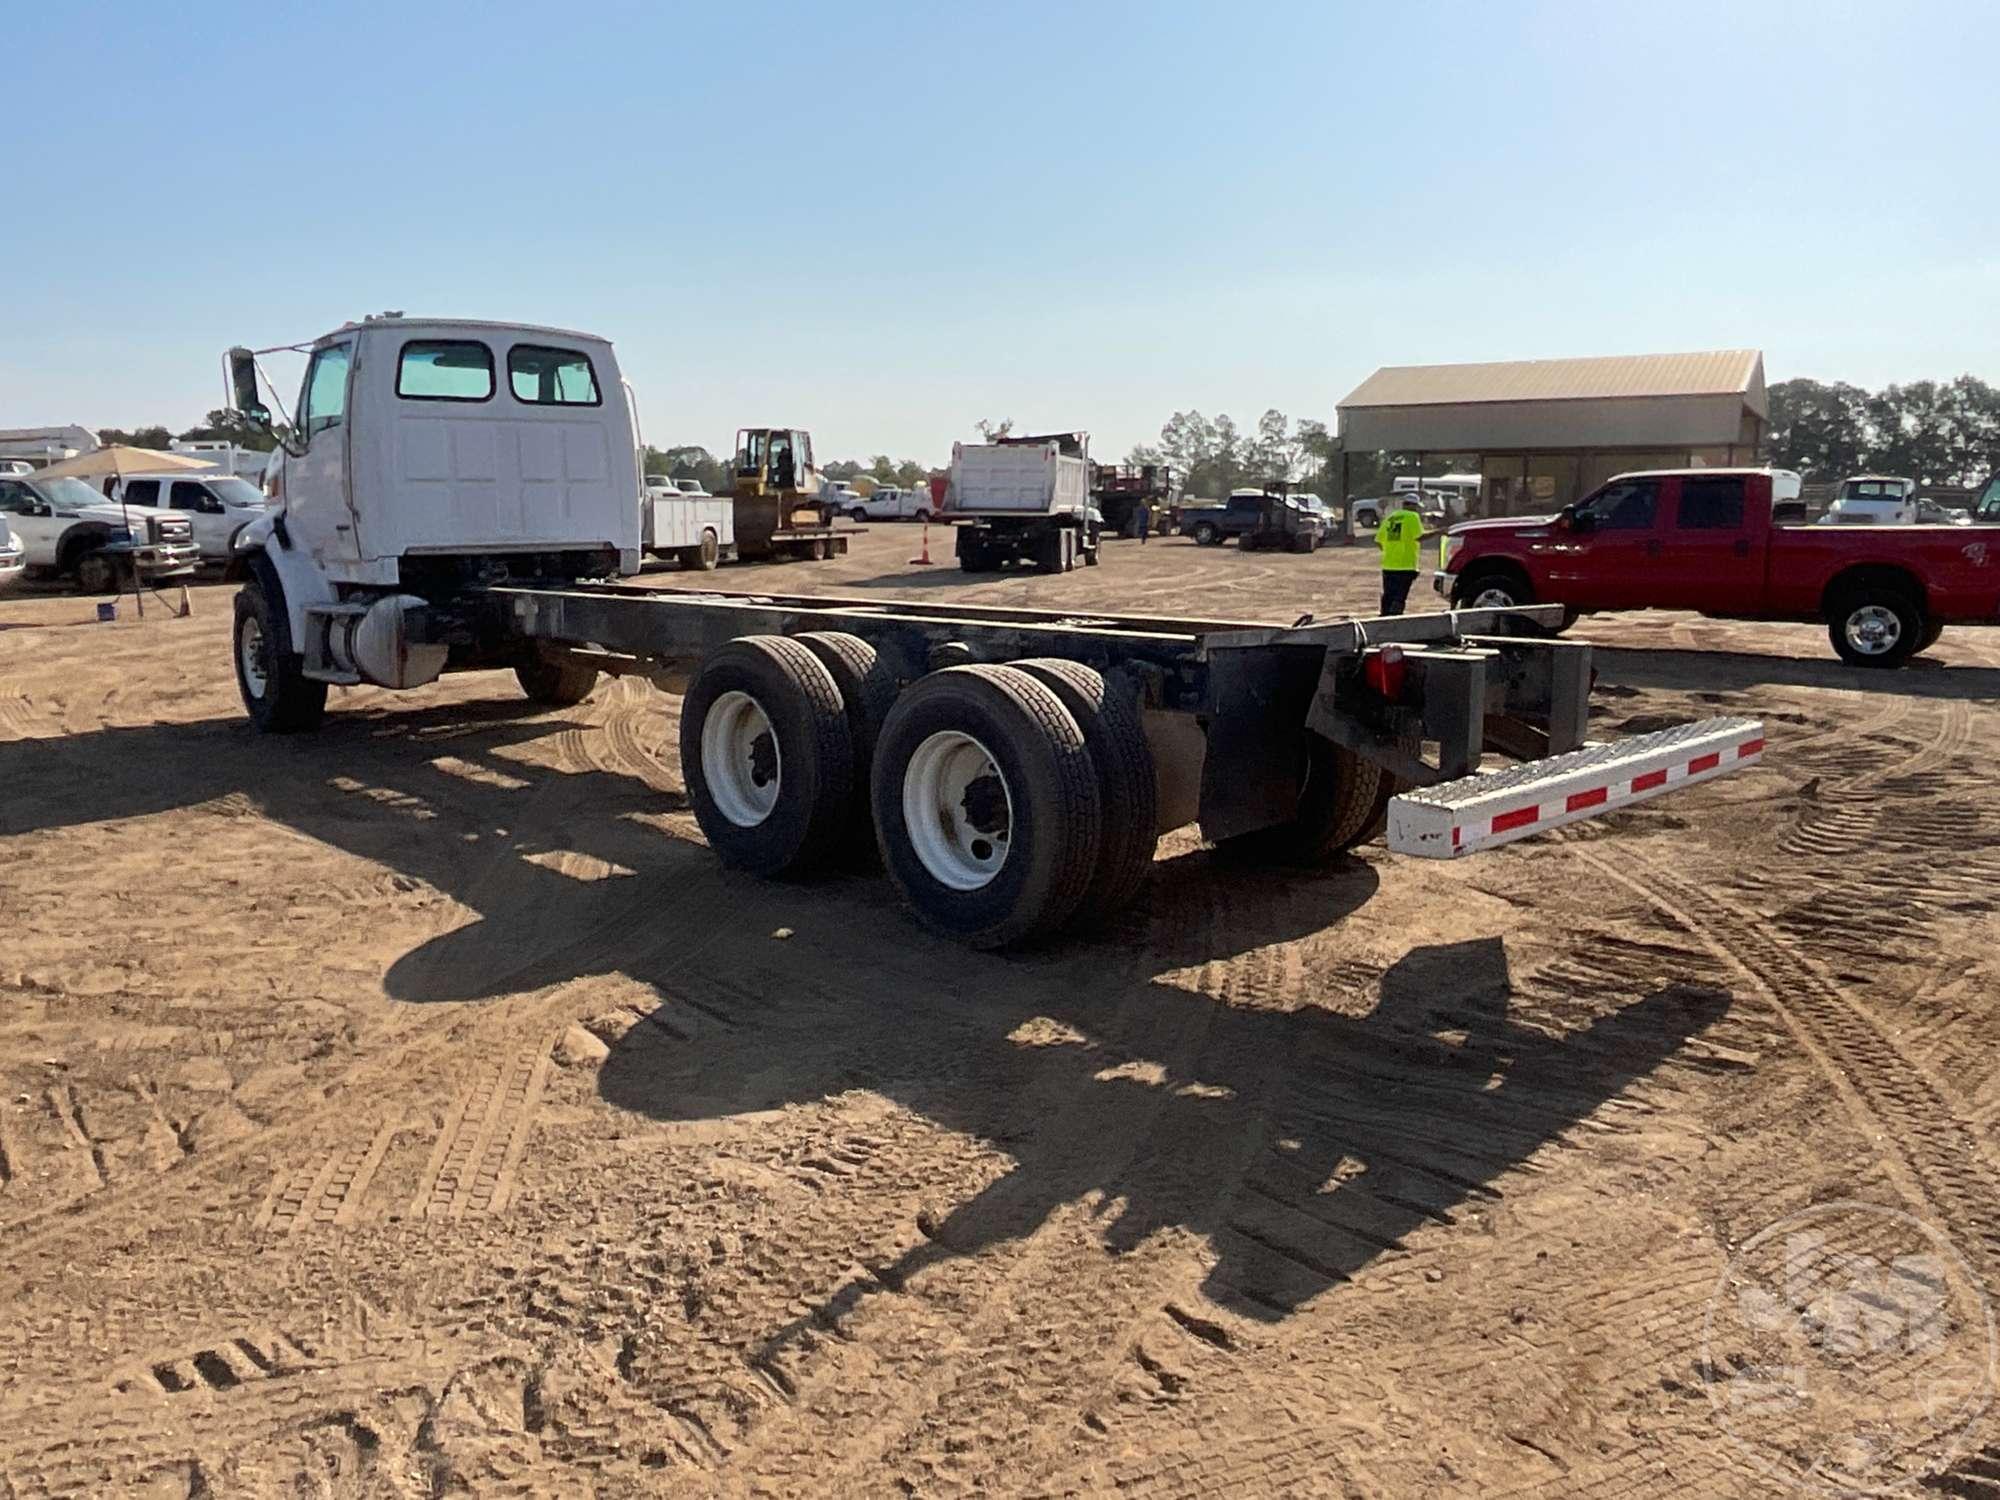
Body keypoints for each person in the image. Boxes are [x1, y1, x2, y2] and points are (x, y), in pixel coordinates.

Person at [1375, 493, 1425, 615]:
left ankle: (1383, 619)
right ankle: (1395, 621)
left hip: (1388, 565)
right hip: (1406, 565)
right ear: (1413, 506)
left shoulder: (1391, 517)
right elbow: (1419, 537)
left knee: (1388, 595)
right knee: (1399, 597)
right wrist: (1439, 532)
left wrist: (1390, 550)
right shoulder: (1412, 516)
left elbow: (1378, 541)